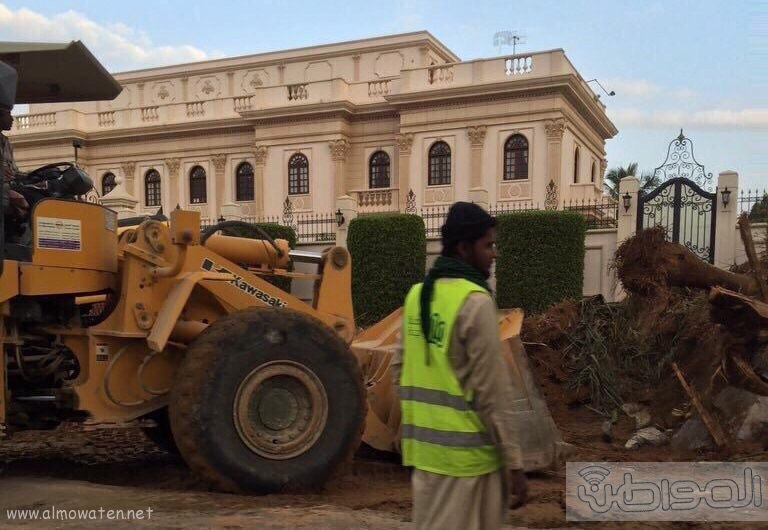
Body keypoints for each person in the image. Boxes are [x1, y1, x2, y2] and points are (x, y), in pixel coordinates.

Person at [393, 201, 528, 530]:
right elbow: (492, 394)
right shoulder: (475, 302)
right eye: (489, 245)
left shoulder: (415, 296)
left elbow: (399, 370)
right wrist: (514, 463)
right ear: (464, 248)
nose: (494, 254)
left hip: (424, 457)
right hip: (470, 462)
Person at [0, 104, 29, 216]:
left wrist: (37, 177)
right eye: (9, 114)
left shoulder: (6, 142)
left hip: (9, 190)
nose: (12, 119)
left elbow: (15, 172)